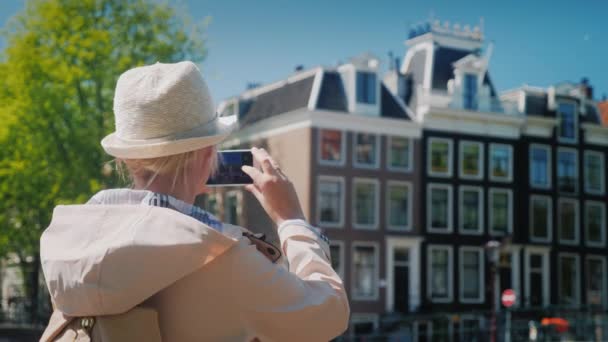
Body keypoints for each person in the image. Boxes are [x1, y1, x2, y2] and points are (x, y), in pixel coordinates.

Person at [39, 61, 349, 341]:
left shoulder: (70, 247)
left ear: (126, 158)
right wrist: (293, 222)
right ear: (205, 155)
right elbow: (328, 315)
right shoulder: (220, 258)